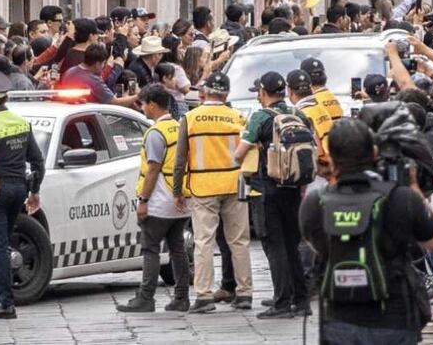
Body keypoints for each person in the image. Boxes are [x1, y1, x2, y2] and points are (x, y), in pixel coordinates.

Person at [300, 118, 433, 345]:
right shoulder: (401, 198)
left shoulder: (315, 202)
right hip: (395, 317)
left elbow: (316, 246)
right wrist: (415, 188)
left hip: (339, 319)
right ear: (374, 152)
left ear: (329, 158)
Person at [172, 71, 253, 313]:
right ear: (226, 93)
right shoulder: (237, 117)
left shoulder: (191, 118)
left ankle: (204, 296)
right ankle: (245, 292)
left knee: (204, 241)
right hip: (233, 183)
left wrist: (178, 190)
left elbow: (180, 159)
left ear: (204, 92)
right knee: (239, 241)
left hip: (203, 186)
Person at [235, 71, 313, 318]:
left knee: (275, 246)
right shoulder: (298, 114)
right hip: (294, 188)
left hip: (267, 190)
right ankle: (301, 302)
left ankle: (281, 303)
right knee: (292, 245)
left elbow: (239, 154)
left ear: (263, 92)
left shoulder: (260, 117)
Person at [0, 70, 46, 320]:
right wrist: (35, 191)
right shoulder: (22, 122)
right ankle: (5, 300)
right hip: (20, 189)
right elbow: (37, 161)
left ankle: (5, 302)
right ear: (6, 97)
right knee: (5, 241)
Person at [116, 85, 191, 313]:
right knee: (177, 248)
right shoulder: (178, 127)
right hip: (181, 199)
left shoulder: (155, 133)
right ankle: (181, 297)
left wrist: (143, 200)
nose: (142, 108)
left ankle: (146, 297)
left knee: (150, 248)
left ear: (152, 104)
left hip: (160, 200)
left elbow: (152, 170)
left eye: (143, 103)